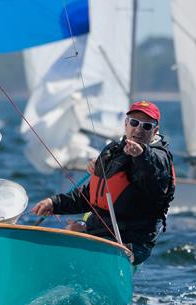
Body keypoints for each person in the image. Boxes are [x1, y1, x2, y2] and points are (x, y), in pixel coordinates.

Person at [30, 100, 175, 265]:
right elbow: (89, 196)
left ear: (155, 130)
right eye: (134, 123)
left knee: (76, 250)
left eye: (146, 126)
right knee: (58, 242)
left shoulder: (159, 158)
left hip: (130, 243)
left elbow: (153, 171)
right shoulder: (113, 150)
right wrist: (54, 203)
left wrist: (141, 155)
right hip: (101, 234)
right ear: (126, 124)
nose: (139, 129)